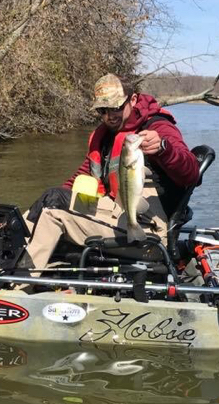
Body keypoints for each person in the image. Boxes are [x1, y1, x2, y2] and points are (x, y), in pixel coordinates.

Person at [19, 73, 199, 272]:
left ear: (133, 99)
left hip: (147, 230)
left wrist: (164, 149)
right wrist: (50, 199)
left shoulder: (158, 127)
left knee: (53, 211)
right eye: (102, 110)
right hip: (114, 212)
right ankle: (13, 243)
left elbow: (191, 173)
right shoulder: (106, 135)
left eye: (115, 108)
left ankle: (18, 284)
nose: (109, 116)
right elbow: (82, 175)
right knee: (50, 199)